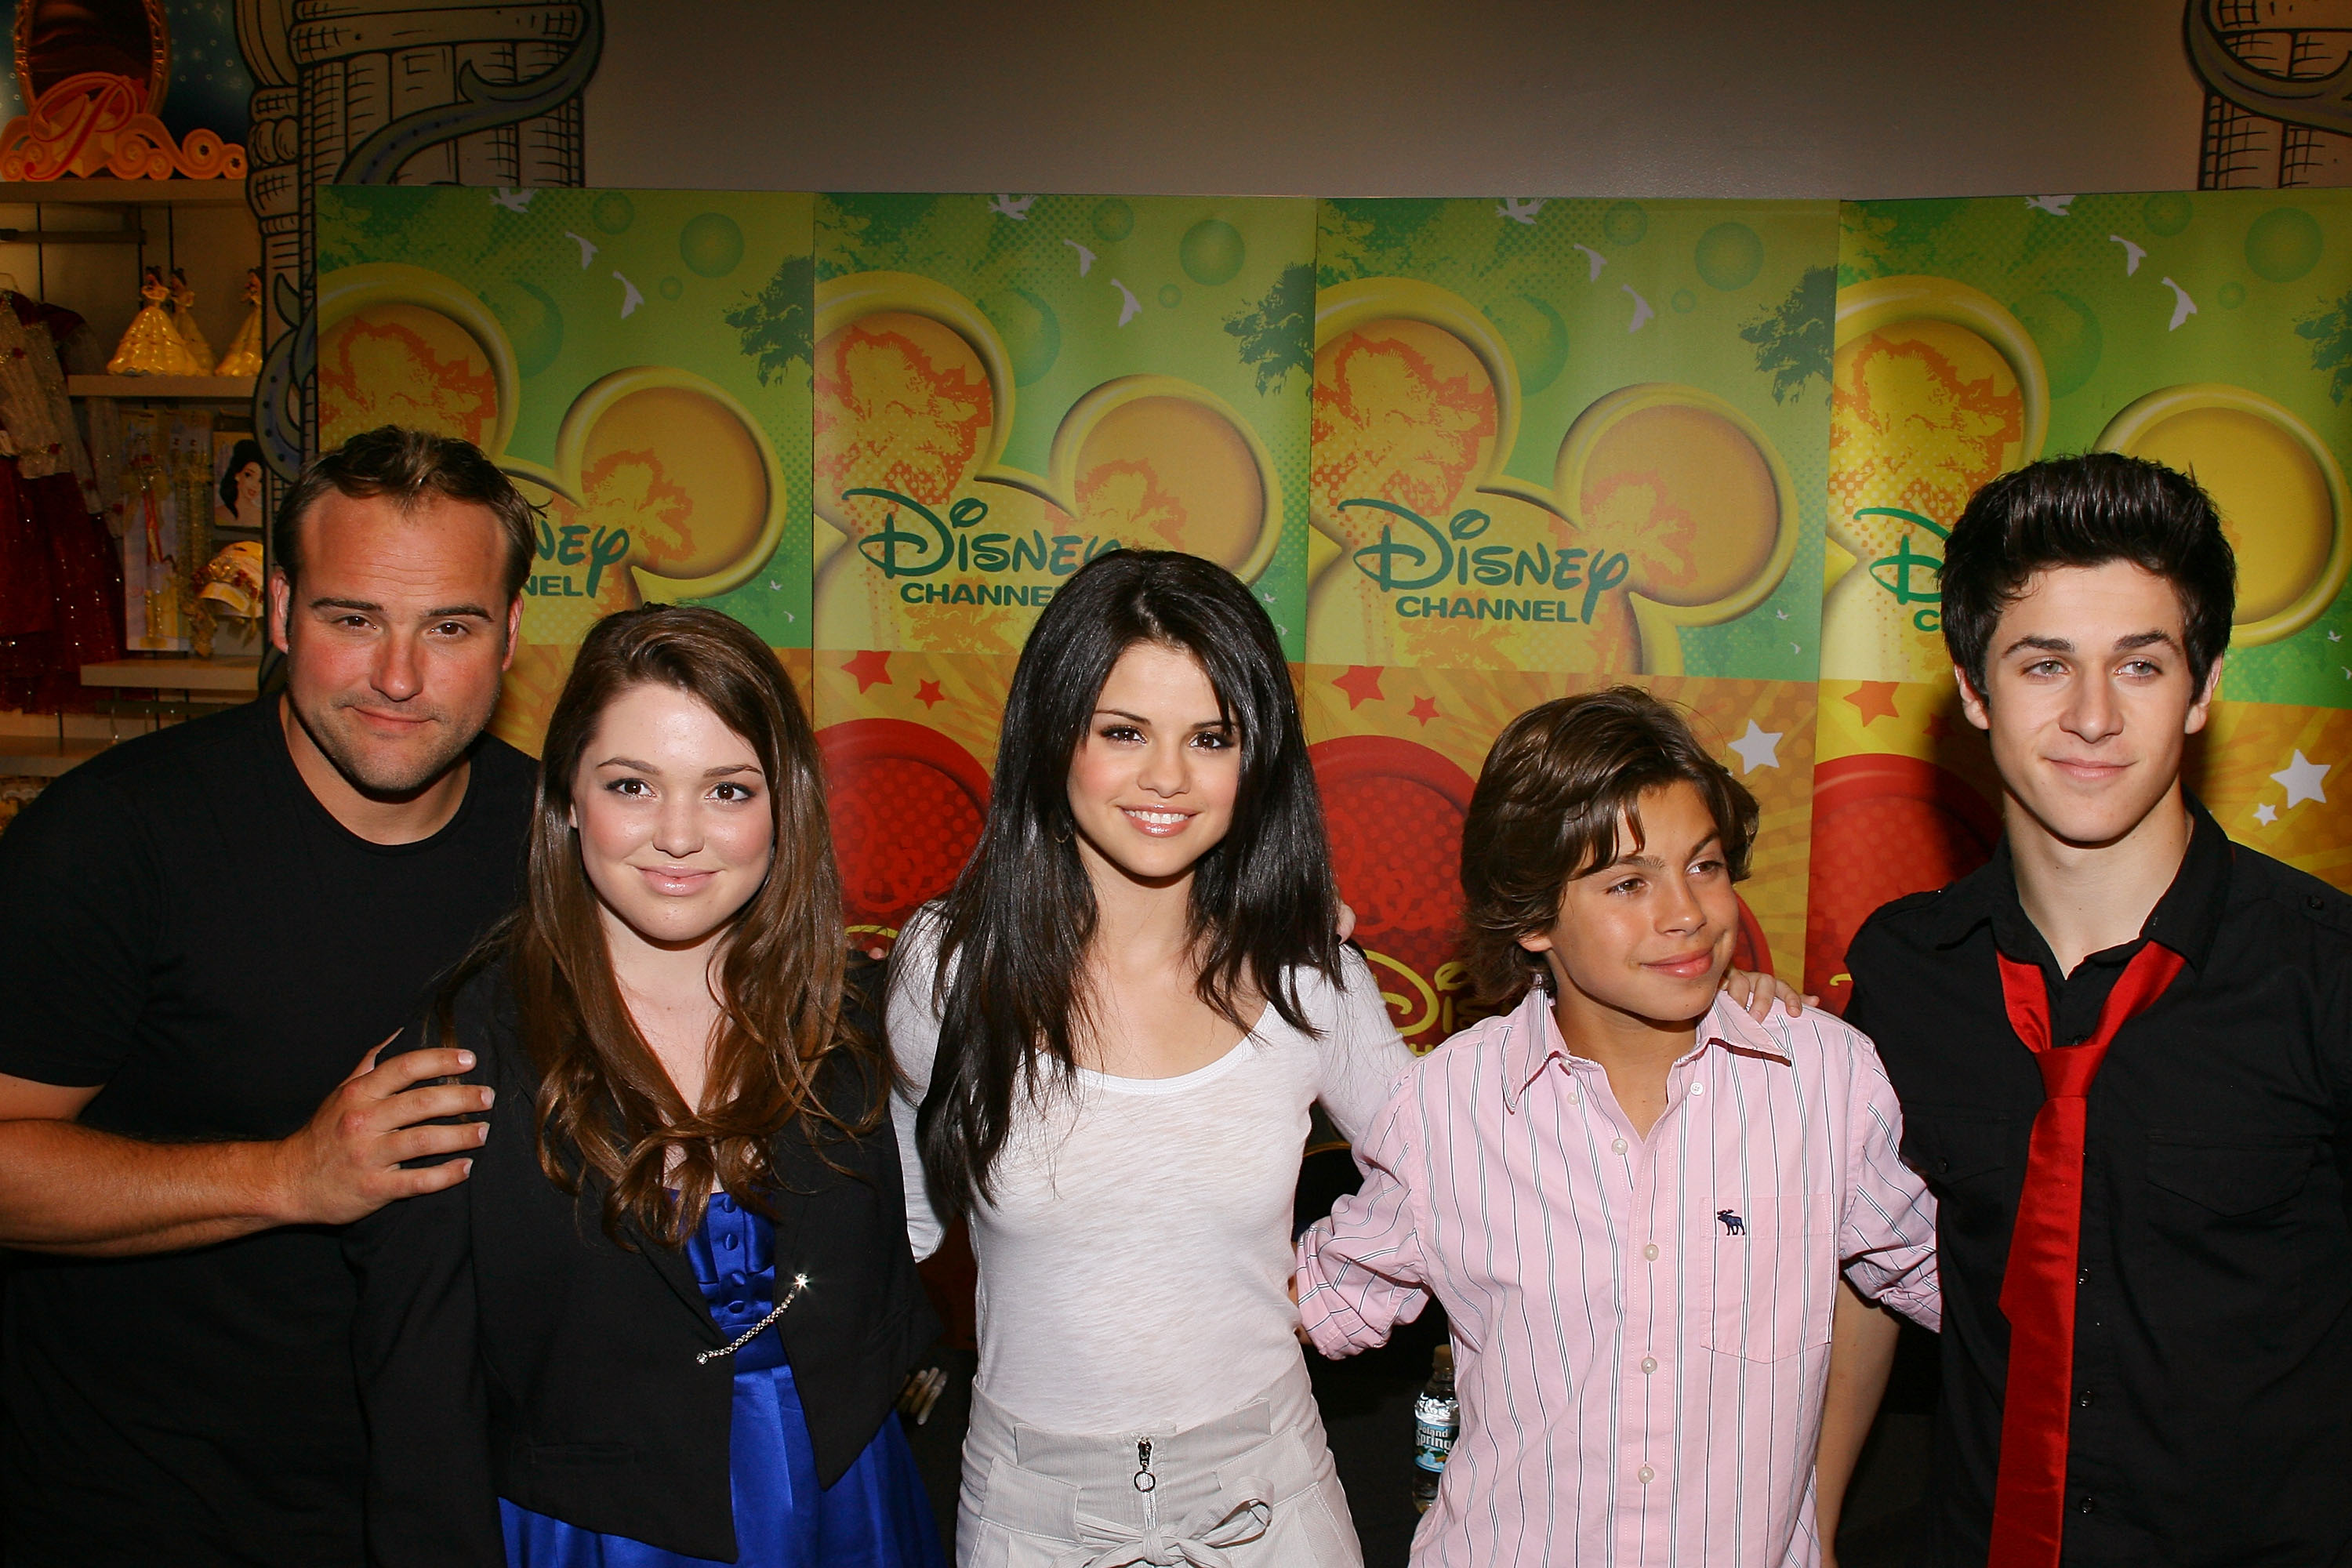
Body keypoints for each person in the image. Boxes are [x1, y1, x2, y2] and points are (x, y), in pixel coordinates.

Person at [0, 426, 538, 1566]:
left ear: (511, 636)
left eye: (450, 627)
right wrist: (291, 1176)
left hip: (464, 1511)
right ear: (284, 611)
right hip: (147, 1513)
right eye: (355, 620)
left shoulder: (565, 843)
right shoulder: (114, 841)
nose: (399, 676)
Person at [350, 605, 943, 1566]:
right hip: (600, 1538)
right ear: (569, 800)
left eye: (726, 789)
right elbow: (420, 1412)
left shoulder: (856, 1021)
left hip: (853, 1511)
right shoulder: (462, 1054)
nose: (678, 835)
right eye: (632, 784)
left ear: (782, 803)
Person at [1294, 686, 1940, 1567]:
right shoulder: (1450, 1105)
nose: (1687, 913)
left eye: (1704, 865)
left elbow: (1964, 1283)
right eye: (1629, 882)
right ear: (1530, 916)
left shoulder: (1824, 1080)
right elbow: (1315, 1302)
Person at [1845, 452, 2352, 1567]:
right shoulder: (1902, 975)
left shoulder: (2325, 972)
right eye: (2042, 665)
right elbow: (1859, 1270)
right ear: (1973, 689)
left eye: (2140, 663)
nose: (2090, 716)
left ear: (2204, 685)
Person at [889, 549, 1415, 1566]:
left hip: (1268, 1498)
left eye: (1209, 737)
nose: (1167, 777)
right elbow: (896, 1215)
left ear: (1255, 757)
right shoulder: (949, 970)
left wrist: (1348, 1290)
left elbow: (1447, 1163)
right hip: (1030, 1512)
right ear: (1054, 738)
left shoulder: (1308, 972)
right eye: (1123, 731)